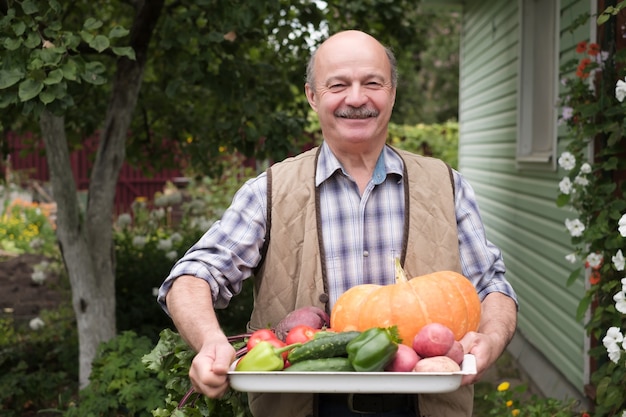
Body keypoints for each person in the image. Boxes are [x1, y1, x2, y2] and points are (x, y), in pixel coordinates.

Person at [157, 29, 518, 417]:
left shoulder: (446, 185)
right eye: (338, 85)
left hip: (426, 401)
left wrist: (492, 339)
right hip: (302, 406)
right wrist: (211, 341)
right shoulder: (270, 191)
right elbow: (193, 276)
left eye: (373, 83)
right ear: (313, 95)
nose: (357, 98)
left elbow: (491, 287)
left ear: (392, 92)